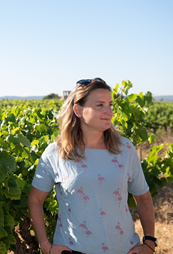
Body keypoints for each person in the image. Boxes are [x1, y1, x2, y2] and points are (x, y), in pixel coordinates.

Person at [28, 78, 156, 254]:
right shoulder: (55, 153)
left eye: (110, 105)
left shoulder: (125, 148)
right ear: (78, 110)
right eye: (100, 105)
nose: (109, 111)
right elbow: (35, 200)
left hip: (124, 250)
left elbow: (143, 198)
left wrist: (149, 241)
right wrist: (45, 245)